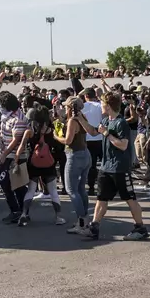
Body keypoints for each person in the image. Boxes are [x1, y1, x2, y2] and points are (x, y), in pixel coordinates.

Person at [78, 92, 149, 240]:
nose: (101, 107)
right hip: (106, 167)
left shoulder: (120, 123)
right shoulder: (105, 121)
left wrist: (107, 135)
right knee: (101, 199)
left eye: (103, 104)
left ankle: (140, 228)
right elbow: (92, 131)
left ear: (108, 106)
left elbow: (123, 145)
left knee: (130, 199)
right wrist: (80, 119)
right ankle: (94, 227)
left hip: (119, 168)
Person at [18, 104, 65, 226]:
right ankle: (58, 217)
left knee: (31, 190)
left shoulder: (30, 131)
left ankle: (24, 214)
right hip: (48, 163)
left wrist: (16, 160)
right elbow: (59, 146)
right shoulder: (52, 131)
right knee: (53, 191)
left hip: (33, 163)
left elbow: (22, 146)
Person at [56, 96, 91, 234]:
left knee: (71, 190)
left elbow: (68, 140)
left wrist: (56, 137)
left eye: (66, 106)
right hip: (85, 153)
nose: (65, 108)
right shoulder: (82, 117)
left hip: (74, 155)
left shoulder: (72, 121)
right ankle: (85, 219)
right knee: (81, 188)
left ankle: (81, 222)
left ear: (71, 108)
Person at [0, 92, 30, 223]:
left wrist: (5, 154)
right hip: (7, 153)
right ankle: (20, 212)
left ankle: (19, 211)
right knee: (14, 185)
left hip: (15, 156)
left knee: (7, 183)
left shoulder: (18, 118)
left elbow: (16, 140)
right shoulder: (6, 117)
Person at [80, 87, 103, 196]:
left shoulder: (82, 107)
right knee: (104, 163)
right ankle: (106, 185)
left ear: (85, 96)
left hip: (87, 139)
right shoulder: (100, 106)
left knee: (91, 165)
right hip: (100, 137)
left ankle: (91, 187)